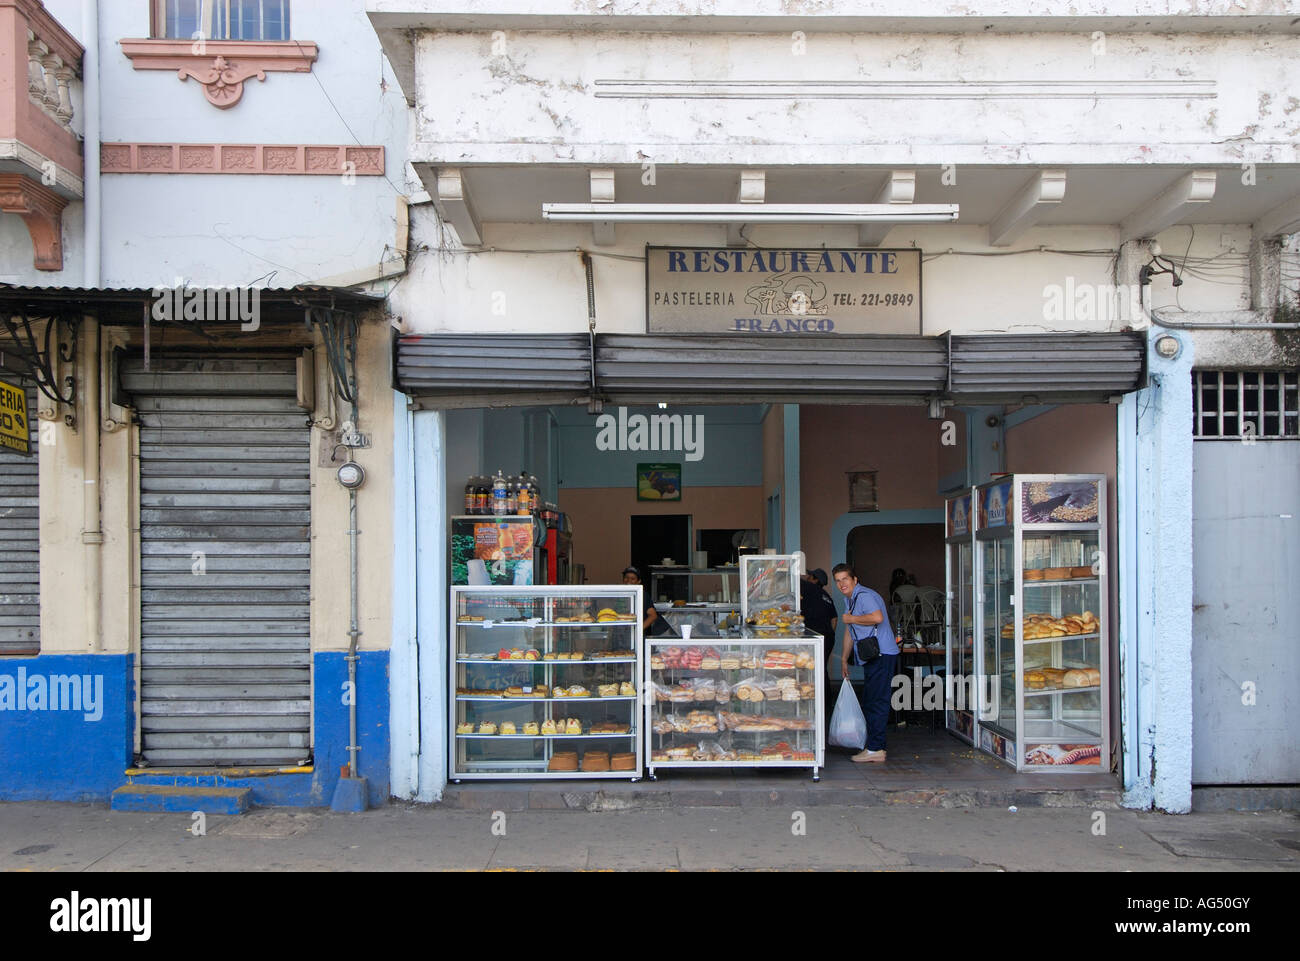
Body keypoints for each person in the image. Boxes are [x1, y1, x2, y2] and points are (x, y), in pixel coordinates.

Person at [833, 563, 898, 763]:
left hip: (882, 654)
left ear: (855, 580)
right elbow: (849, 631)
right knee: (871, 699)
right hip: (872, 655)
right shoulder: (849, 600)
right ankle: (874, 746)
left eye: (845, 579)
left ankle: (876, 748)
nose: (842, 583)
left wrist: (851, 618)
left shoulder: (864, 596)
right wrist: (844, 659)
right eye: (838, 580)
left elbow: (877, 617)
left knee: (876, 701)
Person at [799, 568, 837, 680]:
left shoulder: (809, 588)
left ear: (815, 580)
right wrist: (828, 634)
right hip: (827, 637)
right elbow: (834, 618)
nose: (807, 577)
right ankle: (826, 696)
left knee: (813, 668)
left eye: (810, 576)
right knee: (821, 667)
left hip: (814, 636)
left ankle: (819, 696)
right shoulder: (826, 596)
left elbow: (796, 580)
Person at [622, 566, 673, 636]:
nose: (628, 580)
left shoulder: (642, 595)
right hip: (619, 635)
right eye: (626, 577)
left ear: (638, 581)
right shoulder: (619, 594)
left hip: (635, 637)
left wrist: (638, 629)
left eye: (632, 579)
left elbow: (653, 615)